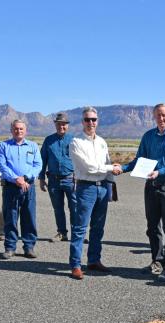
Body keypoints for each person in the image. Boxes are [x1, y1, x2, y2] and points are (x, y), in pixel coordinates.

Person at [115, 104, 165, 282]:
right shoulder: (148, 136)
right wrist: (122, 168)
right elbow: (139, 160)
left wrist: (160, 172)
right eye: (157, 116)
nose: (161, 119)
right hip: (151, 186)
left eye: (163, 115)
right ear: (153, 117)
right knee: (153, 227)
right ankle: (157, 260)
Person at [68, 107, 115, 280]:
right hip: (85, 188)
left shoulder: (102, 142)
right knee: (80, 228)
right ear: (82, 122)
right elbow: (89, 167)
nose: (91, 123)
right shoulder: (76, 142)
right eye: (87, 120)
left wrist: (111, 185)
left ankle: (94, 260)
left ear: (97, 121)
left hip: (102, 188)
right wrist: (112, 168)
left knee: (98, 227)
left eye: (93, 119)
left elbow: (107, 163)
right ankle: (75, 264)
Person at [0, 119, 42, 259]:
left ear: (25, 130)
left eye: (21, 129)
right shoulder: (4, 146)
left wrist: (26, 177)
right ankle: (10, 247)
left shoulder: (33, 146)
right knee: (10, 217)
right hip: (11, 187)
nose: (18, 131)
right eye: (16, 129)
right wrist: (16, 179)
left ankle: (29, 247)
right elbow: (2, 165)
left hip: (28, 187)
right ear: (11, 130)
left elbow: (38, 165)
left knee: (29, 217)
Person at [38, 112, 76, 243]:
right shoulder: (48, 140)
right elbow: (43, 160)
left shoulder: (74, 140)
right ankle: (61, 233)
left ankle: (77, 234)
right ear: (55, 124)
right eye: (59, 124)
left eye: (64, 124)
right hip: (53, 180)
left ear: (67, 126)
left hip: (71, 179)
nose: (61, 126)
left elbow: (80, 161)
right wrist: (41, 179)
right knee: (58, 208)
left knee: (75, 208)